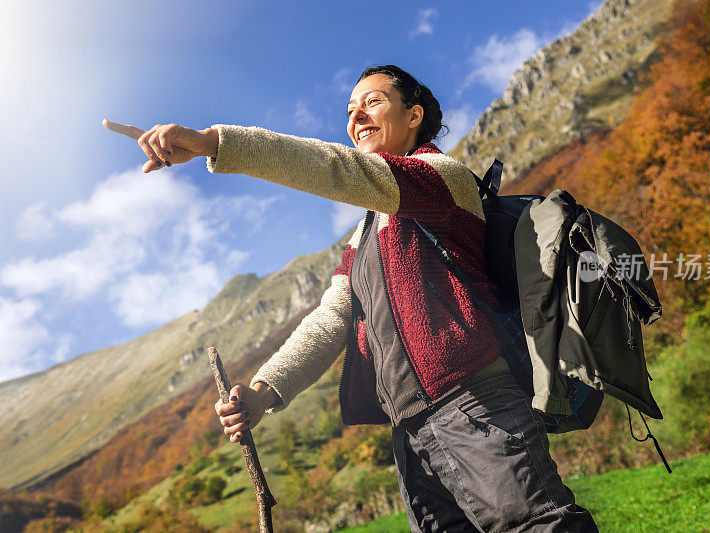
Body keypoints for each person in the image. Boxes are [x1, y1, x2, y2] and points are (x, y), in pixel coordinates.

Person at [132, 65, 598, 532]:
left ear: (414, 114)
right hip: (410, 432)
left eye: (372, 102)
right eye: (350, 110)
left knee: (538, 526)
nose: (357, 116)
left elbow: (341, 170)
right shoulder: (366, 232)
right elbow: (333, 317)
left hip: (473, 404)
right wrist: (262, 393)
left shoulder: (442, 177)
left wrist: (214, 142)